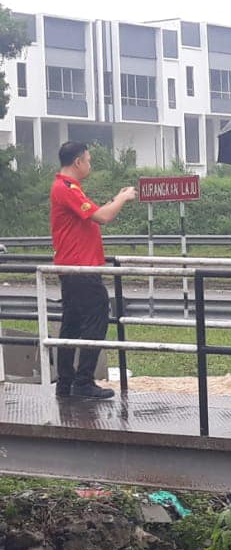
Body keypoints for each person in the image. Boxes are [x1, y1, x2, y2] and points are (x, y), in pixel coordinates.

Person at [49, 141, 136, 399]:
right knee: (96, 317)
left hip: (73, 267)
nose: (90, 164)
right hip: (80, 268)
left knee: (72, 325)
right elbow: (103, 217)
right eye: (88, 160)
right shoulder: (67, 189)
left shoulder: (68, 188)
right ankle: (83, 381)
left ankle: (66, 382)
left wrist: (114, 200)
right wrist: (123, 199)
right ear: (78, 162)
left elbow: (95, 212)